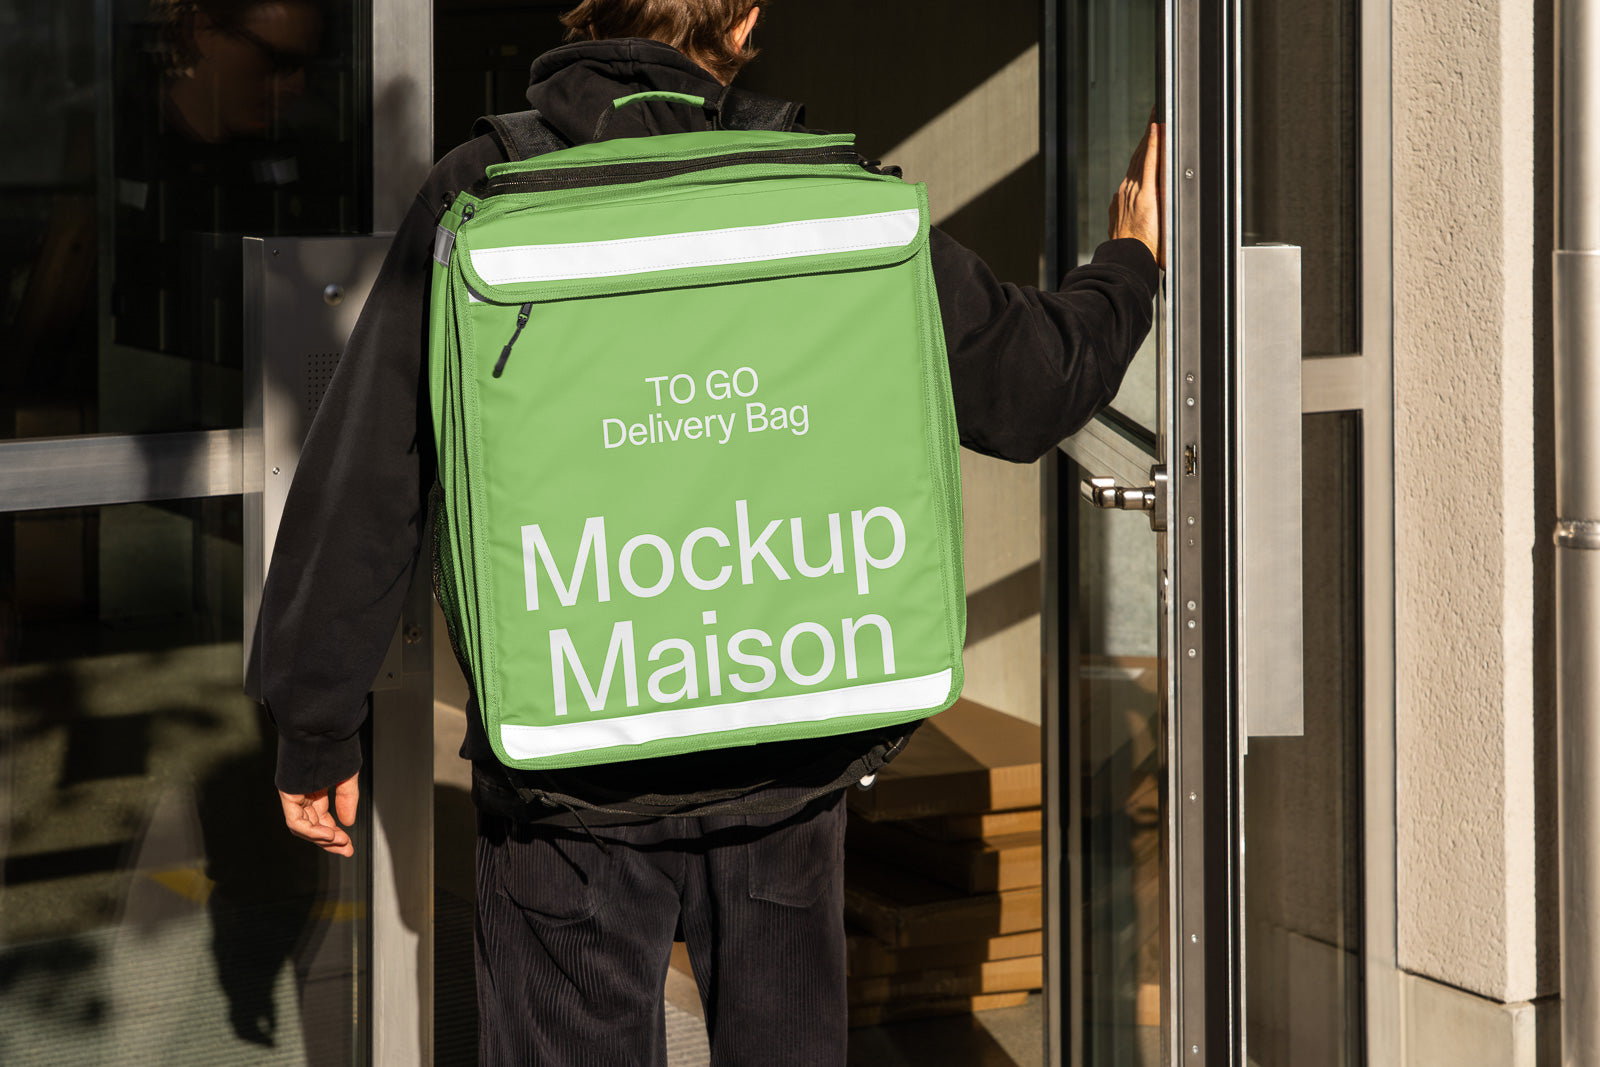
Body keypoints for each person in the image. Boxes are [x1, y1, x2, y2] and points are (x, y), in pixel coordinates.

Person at [264, 2, 1164, 1062]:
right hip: (778, 750)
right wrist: (1128, 260)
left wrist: (318, 719)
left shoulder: (479, 191)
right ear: (741, 22)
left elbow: (374, 468)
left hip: (572, 767)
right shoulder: (824, 189)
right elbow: (1027, 387)